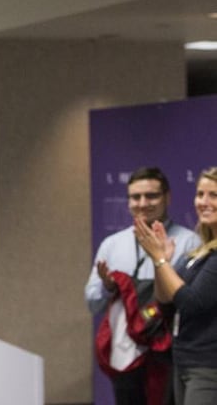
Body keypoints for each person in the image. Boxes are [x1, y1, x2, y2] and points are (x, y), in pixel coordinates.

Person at [85, 166, 200, 405]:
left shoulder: (189, 241)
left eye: (151, 196)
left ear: (167, 197)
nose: (143, 203)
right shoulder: (113, 245)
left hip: (170, 352)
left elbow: (195, 302)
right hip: (126, 352)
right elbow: (92, 301)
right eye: (135, 197)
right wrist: (109, 287)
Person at [134, 167, 217, 405]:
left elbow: (191, 303)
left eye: (214, 195)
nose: (204, 202)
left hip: (209, 368)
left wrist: (160, 260)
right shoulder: (199, 253)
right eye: (200, 194)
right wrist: (162, 262)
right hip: (184, 362)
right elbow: (165, 300)